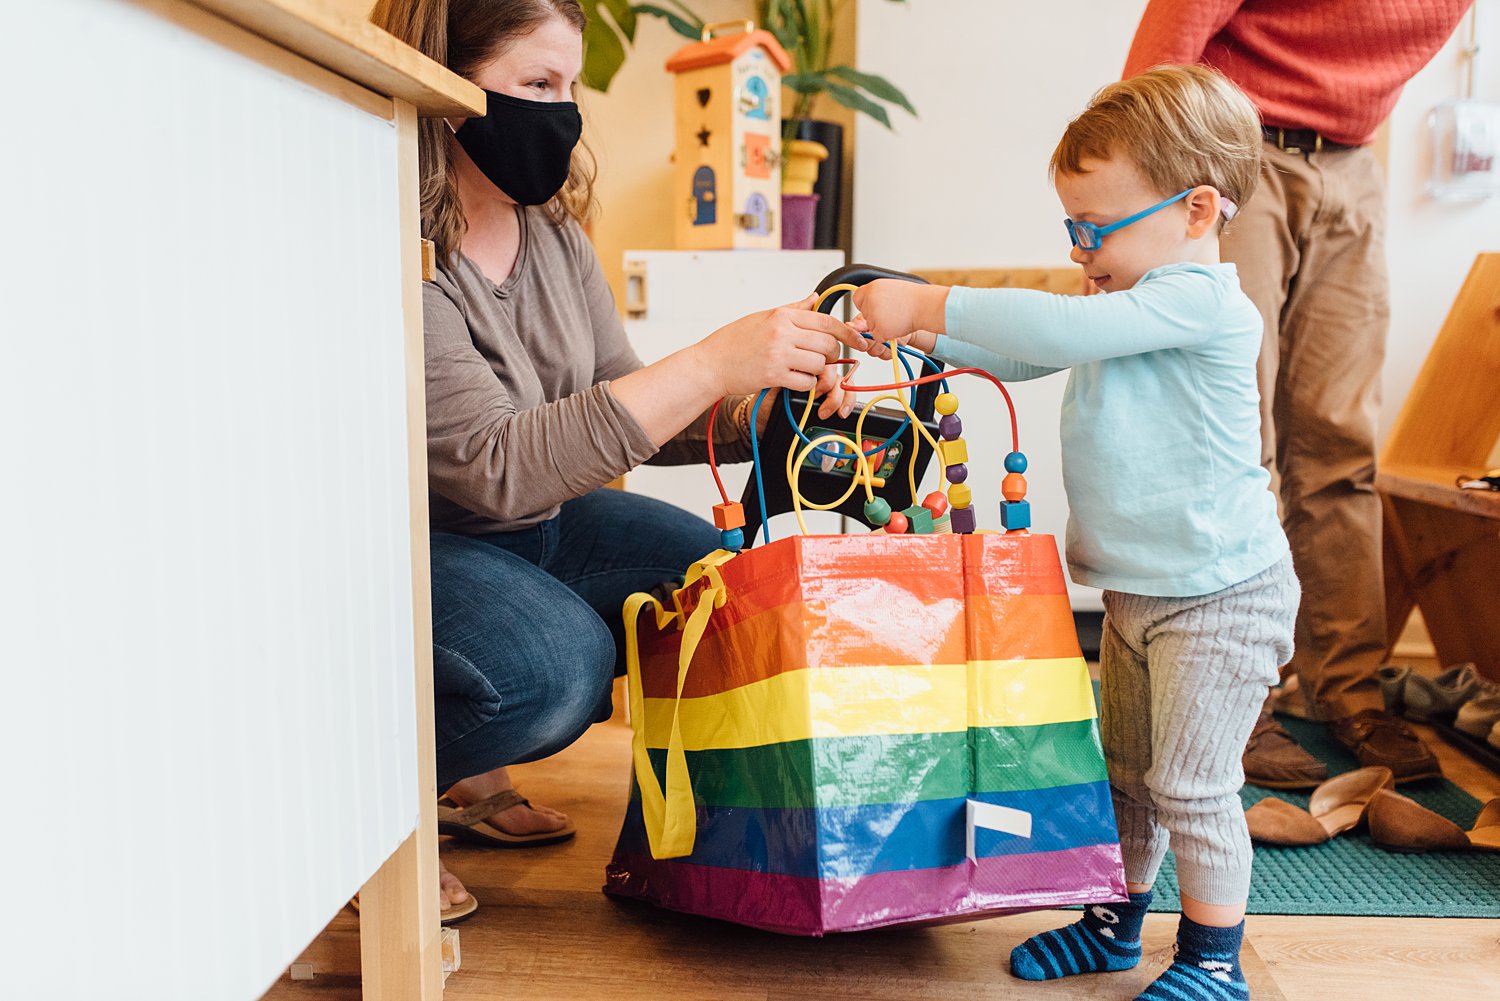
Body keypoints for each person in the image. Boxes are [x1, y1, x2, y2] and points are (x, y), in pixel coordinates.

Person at [371, 0, 854, 920]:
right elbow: (494, 465)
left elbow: (631, 405)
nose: (565, 111)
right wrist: (711, 358)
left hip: (534, 531)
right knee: (560, 671)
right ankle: (370, 818)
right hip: (421, 546)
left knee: (725, 584)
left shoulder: (551, 232)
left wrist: (769, 404)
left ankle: (471, 778)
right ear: (443, 83)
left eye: (573, 87)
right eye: (537, 85)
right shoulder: (396, 245)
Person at [842, 66, 1295, 999]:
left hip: (1221, 596)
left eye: (1096, 228)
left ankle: (1214, 959)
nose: (1082, 248)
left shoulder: (1202, 302)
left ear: (1197, 210)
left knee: (1193, 786)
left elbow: (1041, 328)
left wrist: (928, 304)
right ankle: (1112, 921)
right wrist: (928, 341)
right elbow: (1024, 349)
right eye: (1071, 227)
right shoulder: (1119, 311)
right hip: (1137, 592)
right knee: (1124, 776)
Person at [1123, 0, 1475, 788]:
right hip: (1228, 154)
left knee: (1342, 446)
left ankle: (1345, 693)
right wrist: (1131, 197)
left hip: (1352, 166)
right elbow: (1173, 28)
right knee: (1233, 444)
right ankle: (1232, 702)